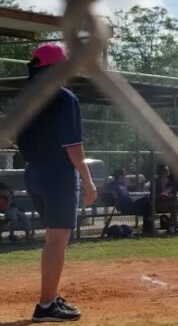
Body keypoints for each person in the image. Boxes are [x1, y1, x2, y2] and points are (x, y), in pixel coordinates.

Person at [16, 43, 96, 322]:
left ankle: (50, 297)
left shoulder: (27, 96)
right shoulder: (64, 97)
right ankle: (47, 305)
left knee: (53, 239)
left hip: (33, 173)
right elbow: (73, 147)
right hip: (58, 175)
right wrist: (88, 181)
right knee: (57, 241)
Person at [105, 168, 154, 233]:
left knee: (147, 208)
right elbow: (104, 188)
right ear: (120, 176)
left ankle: (147, 228)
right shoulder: (114, 184)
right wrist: (112, 192)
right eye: (124, 175)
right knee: (146, 201)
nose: (125, 176)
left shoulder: (122, 185)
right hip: (125, 207)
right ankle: (148, 229)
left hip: (130, 204)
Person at [154, 164, 178, 232]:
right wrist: (161, 195)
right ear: (161, 172)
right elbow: (153, 195)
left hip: (169, 202)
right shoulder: (156, 182)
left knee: (174, 206)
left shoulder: (170, 182)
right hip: (158, 204)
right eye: (166, 170)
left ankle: (171, 227)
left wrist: (170, 195)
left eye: (168, 170)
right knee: (174, 202)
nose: (168, 171)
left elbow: (173, 192)